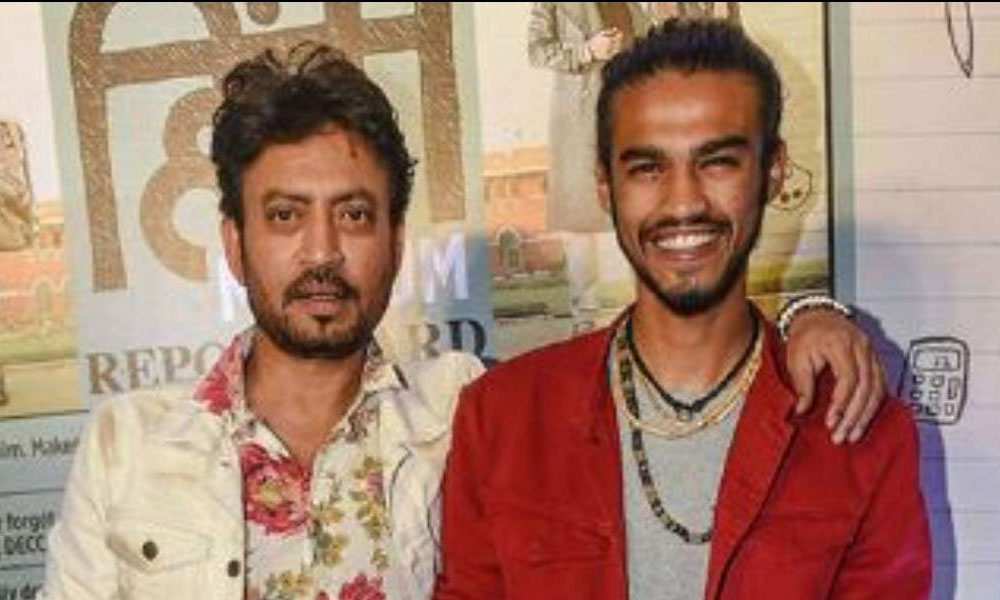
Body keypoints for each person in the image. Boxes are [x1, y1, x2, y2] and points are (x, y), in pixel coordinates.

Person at [43, 41, 888, 600]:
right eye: (285, 216)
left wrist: (811, 316)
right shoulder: (127, 448)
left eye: (355, 215)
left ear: (395, 239)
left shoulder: (464, 413)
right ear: (234, 242)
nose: (322, 252)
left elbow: (668, 341)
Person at [434, 19, 930, 600]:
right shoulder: (502, 418)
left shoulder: (858, 432)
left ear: (772, 171)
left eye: (717, 162)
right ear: (605, 185)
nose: (684, 201)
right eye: (647, 168)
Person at [528, 2, 653, 315]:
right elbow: (537, 51)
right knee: (579, 223)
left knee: (634, 212)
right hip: (580, 121)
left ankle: (644, 311)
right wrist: (587, 52)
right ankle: (585, 314)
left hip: (628, 115)